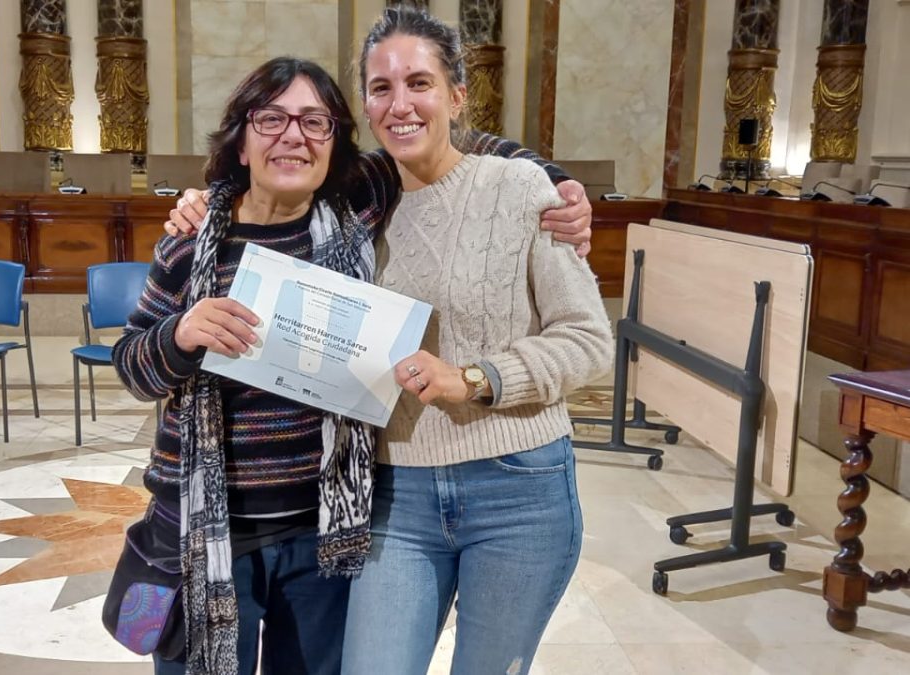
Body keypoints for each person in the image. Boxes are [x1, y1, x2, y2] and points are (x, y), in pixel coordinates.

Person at [113, 55, 586, 675]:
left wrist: (556, 183)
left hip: (322, 537)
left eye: (315, 121)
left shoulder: (359, 210)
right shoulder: (190, 243)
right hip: (200, 535)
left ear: (336, 142)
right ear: (241, 138)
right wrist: (179, 335)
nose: (293, 136)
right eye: (271, 118)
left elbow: (450, 136)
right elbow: (131, 365)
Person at [337, 7, 614, 675]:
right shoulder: (353, 206)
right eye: (381, 87)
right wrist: (208, 204)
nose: (400, 103)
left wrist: (478, 378)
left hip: (519, 486)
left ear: (458, 95)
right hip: (396, 493)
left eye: (420, 82)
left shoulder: (520, 186)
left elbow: (588, 339)